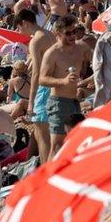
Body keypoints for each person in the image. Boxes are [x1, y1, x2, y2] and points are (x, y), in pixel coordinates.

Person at [38, 16, 90, 160]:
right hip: (58, 102)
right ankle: (48, 179)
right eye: (68, 33)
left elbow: (99, 60)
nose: (72, 35)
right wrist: (63, 81)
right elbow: (42, 79)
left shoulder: (81, 47)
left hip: (75, 102)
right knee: (57, 146)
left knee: (74, 142)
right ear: (58, 33)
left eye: (74, 31)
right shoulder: (53, 53)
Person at [15, 8, 56, 162]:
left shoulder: (35, 41)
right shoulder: (49, 34)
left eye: (19, 27)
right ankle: (32, 161)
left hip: (44, 88)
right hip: (54, 84)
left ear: (25, 23)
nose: (19, 32)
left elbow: (37, 73)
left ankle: (47, 171)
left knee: (44, 136)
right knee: (40, 129)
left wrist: (31, 101)